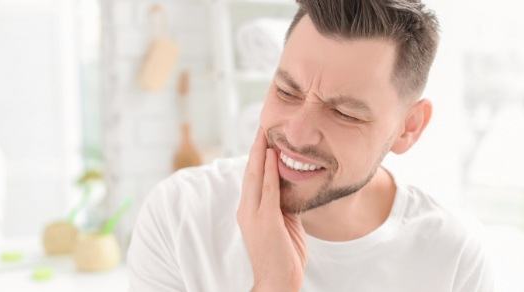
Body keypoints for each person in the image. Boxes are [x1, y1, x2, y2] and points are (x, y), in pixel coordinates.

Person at [127, 0, 494, 291]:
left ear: (408, 128)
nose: (299, 134)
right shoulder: (180, 215)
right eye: (287, 91)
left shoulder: (452, 258)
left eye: (345, 114)